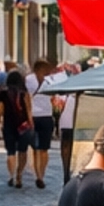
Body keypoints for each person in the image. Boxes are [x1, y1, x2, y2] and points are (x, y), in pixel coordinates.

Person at [0, 69, 34, 190]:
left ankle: (11, 176)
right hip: (23, 126)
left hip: (8, 125)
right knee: (23, 151)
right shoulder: (24, 93)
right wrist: (31, 124)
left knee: (11, 152)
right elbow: (29, 111)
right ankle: (19, 174)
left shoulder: (3, 94)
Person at [29, 60, 59, 189]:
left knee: (41, 149)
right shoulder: (45, 81)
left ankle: (40, 175)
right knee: (40, 149)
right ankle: (39, 175)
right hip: (41, 116)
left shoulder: (46, 80)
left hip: (40, 116)